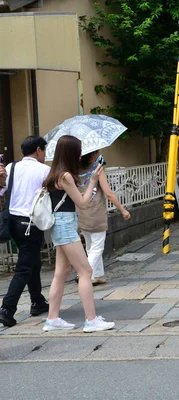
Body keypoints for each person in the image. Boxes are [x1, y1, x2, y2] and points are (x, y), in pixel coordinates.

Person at [42, 135, 115, 332]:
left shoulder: (54, 174)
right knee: (86, 272)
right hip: (66, 227)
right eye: (78, 150)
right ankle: (91, 320)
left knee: (61, 272)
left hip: (60, 226)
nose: (80, 154)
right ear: (71, 153)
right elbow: (82, 203)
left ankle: (52, 318)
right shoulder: (65, 176)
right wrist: (92, 180)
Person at [0, 137, 51, 327]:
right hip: (31, 223)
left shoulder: (11, 167)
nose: (45, 155)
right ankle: (7, 308)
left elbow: (2, 192)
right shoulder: (44, 170)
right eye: (44, 151)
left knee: (32, 261)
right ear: (38, 150)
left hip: (12, 221)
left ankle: (37, 301)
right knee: (24, 267)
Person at [77, 151, 131, 286]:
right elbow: (109, 193)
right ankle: (84, 274)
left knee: (90, 246)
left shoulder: (76, 169)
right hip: (96, 213)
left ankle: (98, 275)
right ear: (93, 155)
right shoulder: (97, 170)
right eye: (97, 152)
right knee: (97, 247)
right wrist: (122, 209)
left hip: (82, 212)